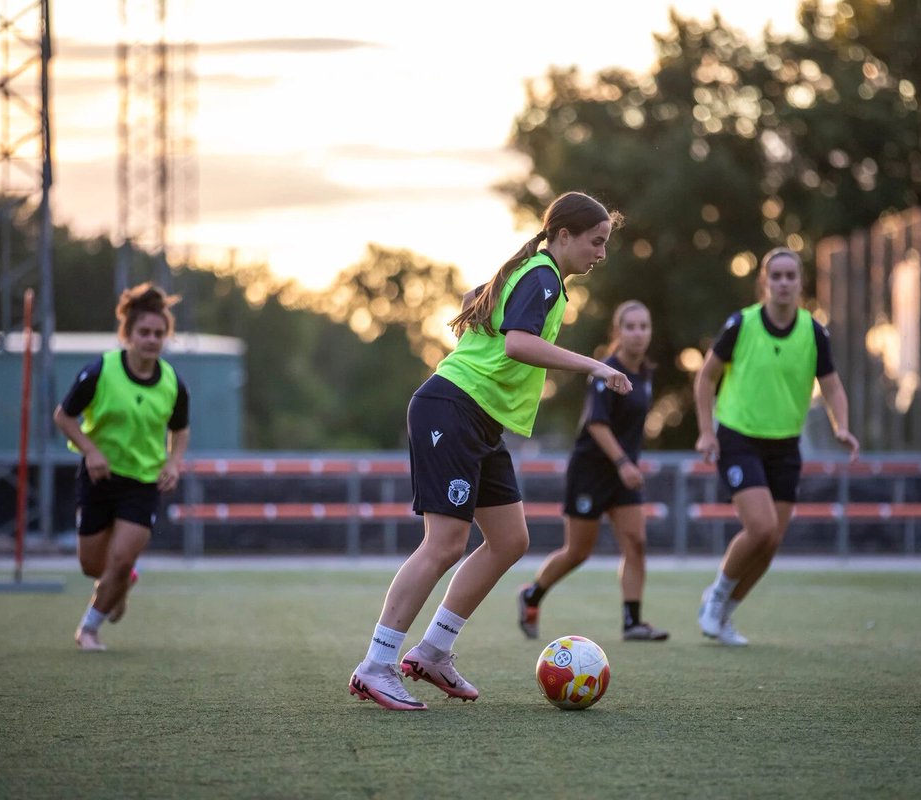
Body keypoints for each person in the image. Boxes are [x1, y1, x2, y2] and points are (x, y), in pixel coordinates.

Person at [348, 191, 629, 711]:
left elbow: (478, 300)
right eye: (596, 241)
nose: (601, 253)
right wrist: (596, 366)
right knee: (445, 543)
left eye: (605, 243)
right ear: (563, 235)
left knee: (509, 539)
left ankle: (433, 651)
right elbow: (519, 343)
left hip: (479, 420)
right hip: (451, 408)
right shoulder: (542, 275)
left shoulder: (537, 275)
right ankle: (377, 665)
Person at [692, 247, 859, 646]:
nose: (784, 283)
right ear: (764, 282)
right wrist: (706, 431)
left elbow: (832, 385)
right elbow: (704, 379)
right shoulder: (741, 324)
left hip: (785, 444)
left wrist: (843, 427)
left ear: (801, 283)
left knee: (770, 543)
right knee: (761, 526)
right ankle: (715, 596)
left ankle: (726, 614)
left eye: (791, 276)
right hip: (738, 436)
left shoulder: (813, 332)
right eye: (776, 276)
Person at [517, 300, 669, 642]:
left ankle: (633, 622)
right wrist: (623, 463)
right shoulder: (606, 372)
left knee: (637, 542)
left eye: (644, 326)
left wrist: (627, 465)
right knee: (577, 552)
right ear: (617, 332)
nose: (638, 333)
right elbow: (597, 425)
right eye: (630, 326)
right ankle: (531, 595)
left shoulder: (646, 374)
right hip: (592, 472)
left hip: (623, 474)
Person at [53, 282, 190, 652]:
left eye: (159, 334)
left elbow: (180, 429)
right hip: (99, 478)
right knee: (93, 567)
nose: (151, 339)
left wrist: (174, 464)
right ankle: (120, 584)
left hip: (143, 483)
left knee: (122, 557)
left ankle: (89, 629)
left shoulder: (173, 383)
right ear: (128, 334)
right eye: (144, 332)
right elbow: (64, 417)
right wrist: (90, 450)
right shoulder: (101, 371)